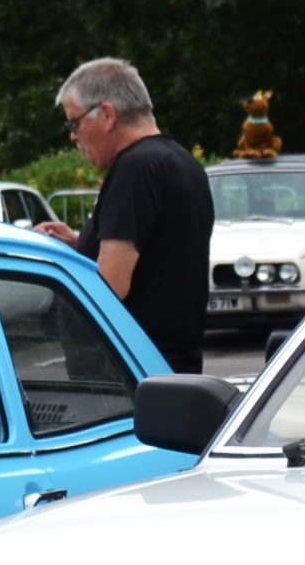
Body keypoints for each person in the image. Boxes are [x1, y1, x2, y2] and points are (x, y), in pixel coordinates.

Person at [35, 58, 211, 373]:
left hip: (130, 379)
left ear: (107, 114)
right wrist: (81, 246)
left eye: (75, 124)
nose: (73, 137)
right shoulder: (183, 163)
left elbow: (111, 285)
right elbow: (159, 260)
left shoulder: (134, 169)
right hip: (173, 371)